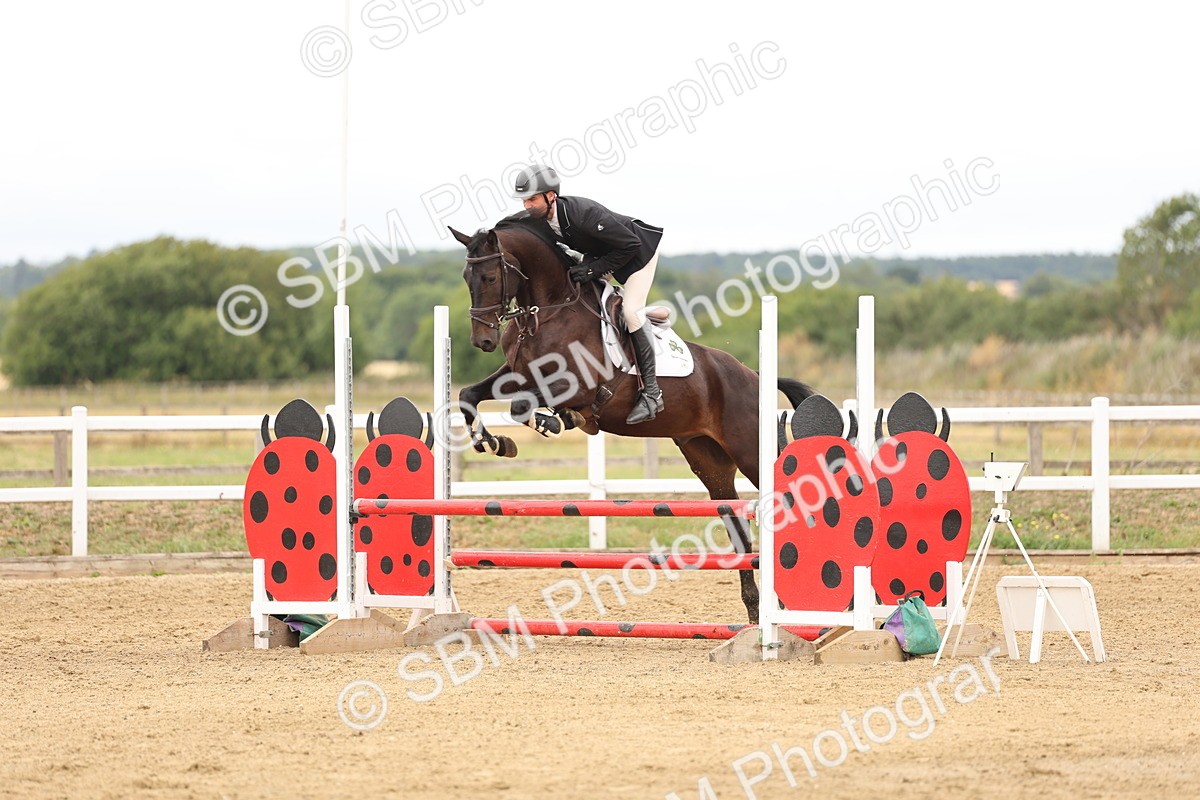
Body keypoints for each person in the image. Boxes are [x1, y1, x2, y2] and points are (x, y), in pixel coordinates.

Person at [512, 164, 666, 425]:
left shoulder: (584, 214)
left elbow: (631, 244)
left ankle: (652, 393)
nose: (527, 206)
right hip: (604, 255)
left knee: (631, 312)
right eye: (524, 200)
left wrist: (593, 269)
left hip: (638, 255)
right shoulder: (539, 219)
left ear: (551, 196)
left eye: (532, 199)